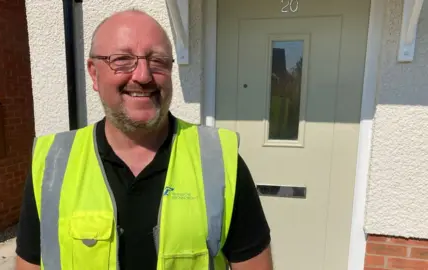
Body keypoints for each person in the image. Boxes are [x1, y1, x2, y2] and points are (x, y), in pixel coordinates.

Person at [15, 9, 273, 270]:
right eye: (122, 59)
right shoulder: (53, 163)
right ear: (94, 73)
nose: (142, 75)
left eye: (157, 61)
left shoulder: (218, 160)